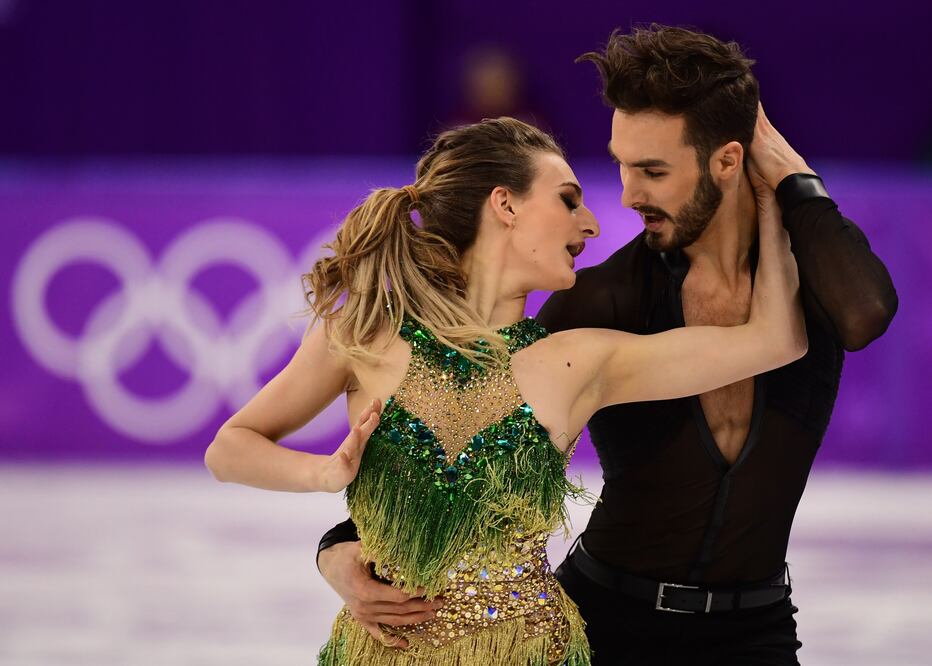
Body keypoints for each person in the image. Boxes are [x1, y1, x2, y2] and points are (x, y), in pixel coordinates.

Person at [314, 26, 898, 666]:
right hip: (604, 622)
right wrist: (341, 543)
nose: (626, 195)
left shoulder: (810, 287)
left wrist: (788, 174)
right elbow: (458, 429)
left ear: (727, 161)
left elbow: (866, 313)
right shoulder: (605, 300)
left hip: (754, 630)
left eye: (652, 170)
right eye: (621, 165)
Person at [205, 112, 806, 665]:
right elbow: (230, 447)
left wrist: (776, 192)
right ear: (505, 205)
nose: (592, 224)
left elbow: (777, 339)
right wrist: (324, 476)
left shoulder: (578, 360)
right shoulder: (364, 332)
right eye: (568, 201)